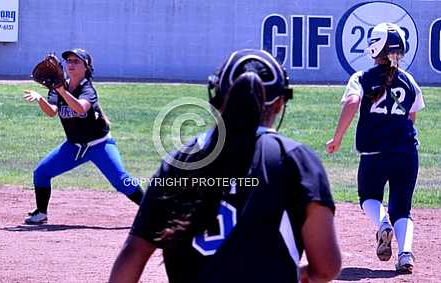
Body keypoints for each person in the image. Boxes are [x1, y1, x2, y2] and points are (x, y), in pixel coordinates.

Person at [109, 49, 341, 283]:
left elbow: (133, 254)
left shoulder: (181, 161)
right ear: (280, 103)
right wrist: (298, 274)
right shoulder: (294, 159)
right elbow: (326, 268)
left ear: (216, 97)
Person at [326, 23, 425, 274]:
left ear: (375, 47)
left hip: (374, 152)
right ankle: (405, 255)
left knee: (368, 197)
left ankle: (383, 224)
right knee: (402, 207)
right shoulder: (410, 81)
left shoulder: (362, 78)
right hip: (407, 152)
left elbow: (351, 101)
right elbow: (411, 116)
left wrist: (337, 137)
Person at [22, 48, 144, 224]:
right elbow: (51, 112)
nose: (70, 64)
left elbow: (80, 108)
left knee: (121, 181)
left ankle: (153, 212)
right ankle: (41, 213)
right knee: (41, 173)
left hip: (100, 145)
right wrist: (40, 99)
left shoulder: (87, 89)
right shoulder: (58, 86)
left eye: (76, 61)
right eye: (69, 61)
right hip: (74, 147)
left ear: (86, 67)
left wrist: (62, 91)